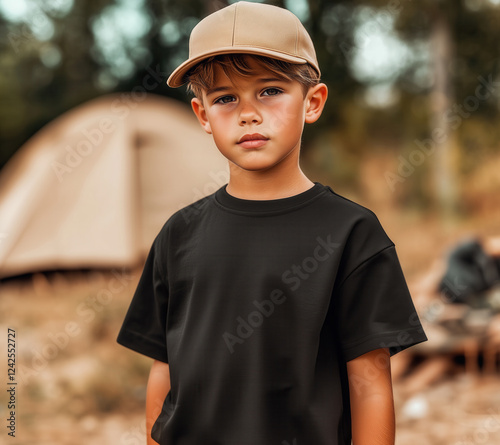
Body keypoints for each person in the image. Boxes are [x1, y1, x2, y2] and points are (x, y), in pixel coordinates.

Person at [117, 2, 427, 444]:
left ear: (312, 102)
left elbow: (370, 381)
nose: (248, 113)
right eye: (225, 98)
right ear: (202, 115)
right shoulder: (178, 235)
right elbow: (164, 367)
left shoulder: (353, 234)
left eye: (269, 91)